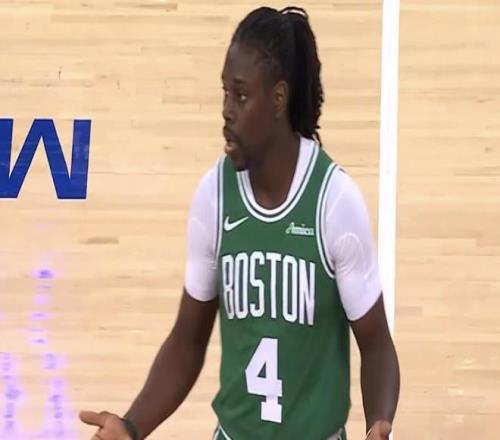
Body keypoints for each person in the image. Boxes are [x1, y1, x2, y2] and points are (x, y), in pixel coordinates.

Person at [79, 6, 400, 440]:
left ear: (279, 99)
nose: (227, 111)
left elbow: (376, 344)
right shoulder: (214, 195)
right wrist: (133, 426)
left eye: (242, 96)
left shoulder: (333, 201)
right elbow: (187, 341)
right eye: (225, 93)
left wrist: (379, 421)